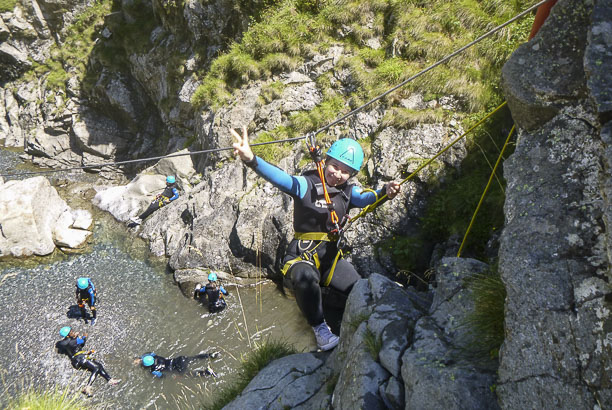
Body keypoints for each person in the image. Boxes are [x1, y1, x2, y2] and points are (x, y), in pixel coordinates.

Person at [231, 127, 401, 351]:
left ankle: (359, 321)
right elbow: (281, 178)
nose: (338, 174)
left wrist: (385, 191)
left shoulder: (348, 192)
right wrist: (252, 160)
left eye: (345, 171)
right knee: (305, 277)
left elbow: (367, 197)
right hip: (302, 254)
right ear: (326, 161)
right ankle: (321, 330)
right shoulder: (306, 185)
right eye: (335, 166)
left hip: (330, 259)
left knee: (359, 288)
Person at [56, 326, 120, 396]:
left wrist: (74, 336)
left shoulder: (63, 343)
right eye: (71, 332)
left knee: (98, 367)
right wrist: (84, 336)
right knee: (97, 367)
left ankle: (110, 380)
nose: (73, 332)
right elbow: (82, 342)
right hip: (80, 358)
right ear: (68, 335)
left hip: (76, 361)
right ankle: (88, 387)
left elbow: (62, 344)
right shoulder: (74, 341)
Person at [138, 352, 219, 378]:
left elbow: (162, 376)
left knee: (189, 374)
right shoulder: (156, 357)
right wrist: (141, 357)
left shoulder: (153, 370)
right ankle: (209, 355)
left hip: (178, 368)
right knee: (194, 358)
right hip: (179, 359)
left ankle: (206, 372)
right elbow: (151, 353)